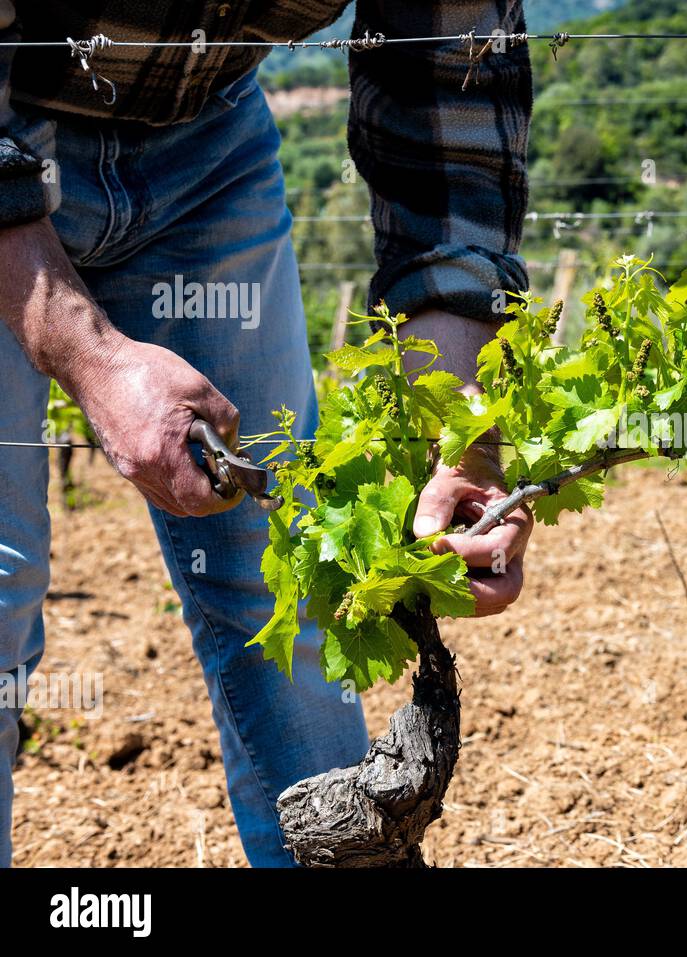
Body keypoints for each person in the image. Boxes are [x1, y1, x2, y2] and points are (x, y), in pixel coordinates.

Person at [0, 0, 533, 867]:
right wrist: (88, 352)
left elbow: (447, 94)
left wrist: (460, 436)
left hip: (206, 139)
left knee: (282, 582)